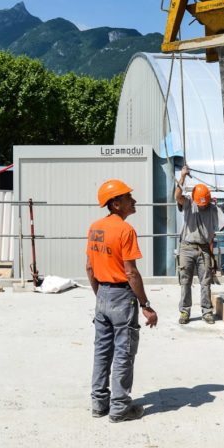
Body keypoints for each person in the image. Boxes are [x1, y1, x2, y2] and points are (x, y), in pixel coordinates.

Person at [86, 179, 158, 423]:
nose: (133, 200)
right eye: (128, 197)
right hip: (121, 296)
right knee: (124, 353)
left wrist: (101, 295)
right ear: (116, 204)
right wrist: (146, 305)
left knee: (102, 351)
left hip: (103, 294)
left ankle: (98, 404)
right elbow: (131, 273)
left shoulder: (95, 227)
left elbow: (89, 267)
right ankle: (119, 409)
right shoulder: (126, 231)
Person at [175, 165, 224, 325]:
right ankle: (185, 311)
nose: (203, 206)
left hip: (204, 248)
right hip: (187, 247)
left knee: (206, 281)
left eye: (205, 203)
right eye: (201, 204)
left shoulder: (213, 209)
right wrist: (182, 177)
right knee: (185, 281)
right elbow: (177, 196)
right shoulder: (190, 203)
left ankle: (206, 311)